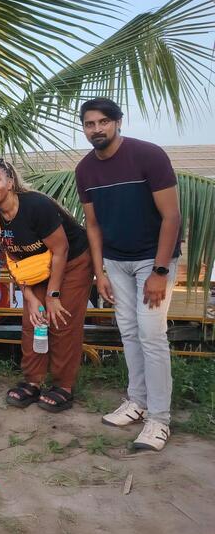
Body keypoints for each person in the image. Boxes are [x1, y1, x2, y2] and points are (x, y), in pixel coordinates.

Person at [75, 98, 182, 451]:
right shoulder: (85, 170)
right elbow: (92, 226)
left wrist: (160, 271)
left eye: (104, 122)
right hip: (116, 263)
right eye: (90, 124)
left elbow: (172, 217)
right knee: (130, 333)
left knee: (152, 335)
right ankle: (137, 402)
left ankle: (159, 419)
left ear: (118, 122)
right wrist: (99, 270)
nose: (97, 129)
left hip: (153, 260)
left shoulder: (148, 156)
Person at [0, 160, 92, 413]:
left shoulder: (35, 205)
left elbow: (61, 250)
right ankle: (33, 380)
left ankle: (64, 385)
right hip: (35, 267)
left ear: (10, 182)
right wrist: (30, 296)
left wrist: (52, 295)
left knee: (60, 319)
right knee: (34, 321)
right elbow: (13, 258)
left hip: (71, 261)